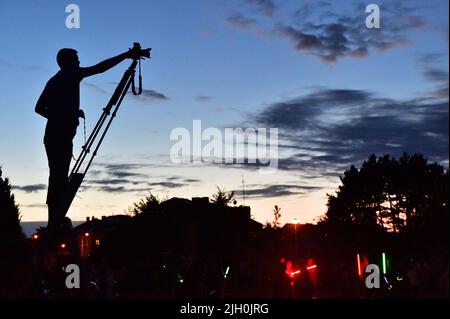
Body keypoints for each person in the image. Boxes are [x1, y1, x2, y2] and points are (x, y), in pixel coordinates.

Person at [35, 46, 141, 238]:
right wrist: (126, 55)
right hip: (58, 136)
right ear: (67, 62)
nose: (79, 63)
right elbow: (99, 68)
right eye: (76, 59)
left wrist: (68, 113)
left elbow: (40, 108)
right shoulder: (69, 76)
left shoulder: (55, 81)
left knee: (58, 177)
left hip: (54, 135)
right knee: (59, 178)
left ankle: (54, 220)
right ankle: (54, 222)